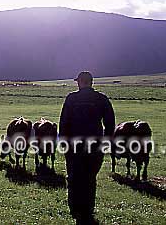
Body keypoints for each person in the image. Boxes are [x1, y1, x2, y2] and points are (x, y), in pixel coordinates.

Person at [59, 71, 116, 225]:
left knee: (74, 177)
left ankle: (75, 209)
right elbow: (110, 123)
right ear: (91, 82)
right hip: (95, 145)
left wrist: (63, 141)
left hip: (74, 146)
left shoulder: (71, 99)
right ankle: (88, 210)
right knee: (90, 178)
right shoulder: (101, 99)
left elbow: (64, 122)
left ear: (79, 82)